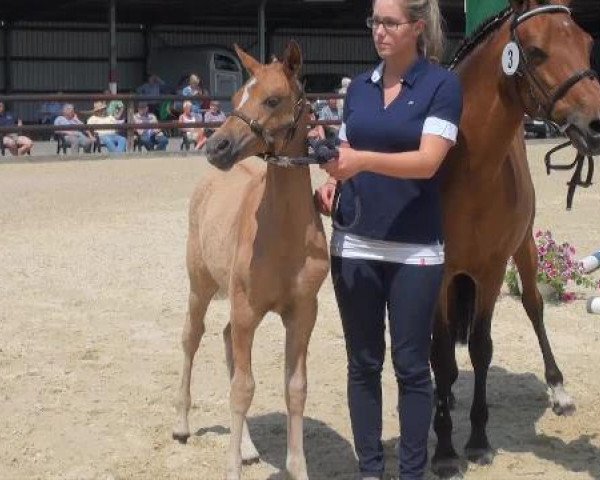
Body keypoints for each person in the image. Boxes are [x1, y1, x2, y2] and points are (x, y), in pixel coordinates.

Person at [314, 1, 463, 479]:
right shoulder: (357, 89)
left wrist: (361, 161)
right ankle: (371, 471)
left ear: (416, 27)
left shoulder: (443, 86)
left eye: (389, 22)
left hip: (416, 249)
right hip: (354, 243)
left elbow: (428, 162)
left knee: (413, 368)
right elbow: (345, 152)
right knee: (362, 365)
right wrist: (337, 177)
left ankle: (412, 473)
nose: (379, 31)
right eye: (374, 21)